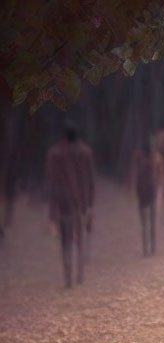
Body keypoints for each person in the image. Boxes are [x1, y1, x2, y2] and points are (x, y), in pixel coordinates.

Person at [45, 120, 95, 288]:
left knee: (65, 242)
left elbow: (52, 184)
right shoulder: (86, 152)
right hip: (81, 204)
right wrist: (90, 206)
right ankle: (79, 273)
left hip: (63, 204)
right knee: (79, 239)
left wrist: (51, 214)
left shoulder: (54, 154)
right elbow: (91, 181)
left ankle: (68, 279)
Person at [132, 138, 163, 257]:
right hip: (152, 190)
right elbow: (160, 176)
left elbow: (134, 174)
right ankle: (152, 247)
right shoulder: (157, 158)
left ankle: (146, 248)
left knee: (145, 222)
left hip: (143, 191)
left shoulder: (139, 157)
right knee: (151, 221)